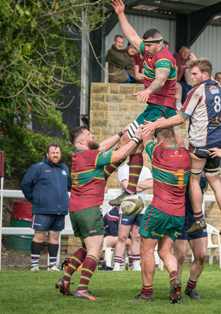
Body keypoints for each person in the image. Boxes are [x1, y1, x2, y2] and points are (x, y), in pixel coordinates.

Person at [143, 58, 221, 236]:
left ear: (204, 74)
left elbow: (181, 118)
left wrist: (156, 125)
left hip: (200, 142)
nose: (191, 77)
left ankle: (199, 219)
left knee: (194, 180)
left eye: (194, 74)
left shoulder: (196, 91)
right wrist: (198, 61)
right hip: (215, 141)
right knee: (214, 180)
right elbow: (207, 70)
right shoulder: (217, 87)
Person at [55, 125, 144, 300]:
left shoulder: (78, 155)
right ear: (82, 141)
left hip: (76, 210)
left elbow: (102, 147)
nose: (93, 135)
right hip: (88, 209)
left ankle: (65, 280)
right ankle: (82, 289)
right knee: (96, 250)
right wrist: (135, 138)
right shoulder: (90, 156)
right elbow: (117, 155)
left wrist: (120, 134)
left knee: (85, 247)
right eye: (89, 134)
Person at [108, 0, 178, 206]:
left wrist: (148, 90)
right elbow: (131, 34)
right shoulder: (147, 49)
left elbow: (161, 78)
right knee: (135, 145)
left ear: (159, 43)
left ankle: (105, 176)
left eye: (149, 46)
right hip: (154, 107)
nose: (145, 49)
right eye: (144, 46)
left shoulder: (164, 57)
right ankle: (130, 191)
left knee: (130, 141)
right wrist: (121, 13)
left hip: (162, 108)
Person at [129, 127, 191, 303]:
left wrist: (149, 124)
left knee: (146, 249)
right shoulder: (185, 155)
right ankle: (174, 277)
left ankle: (147, 293)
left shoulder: (159, 152)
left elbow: (146, 137)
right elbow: (179, 141)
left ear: (161, 142)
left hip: (159, 210)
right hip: (178, 213)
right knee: (165, 250)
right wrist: (169, 122)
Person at [21, 142, 70, 271]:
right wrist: (34, 199)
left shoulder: (65, 169)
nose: (55, 155)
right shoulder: (38, 167)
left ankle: (52, 265)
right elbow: (25, 184)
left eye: (57, 152)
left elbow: (67, 186)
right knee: (40, 236)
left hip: (60, 210)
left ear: (60, 154)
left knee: (55, 236)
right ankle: (34, 265)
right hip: (42, 209)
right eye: (53, 153)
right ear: (47, 154)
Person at [172, 175, 211, 301]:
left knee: (201, 255)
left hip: (197, 219)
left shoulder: (204, 170)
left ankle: (191, 288)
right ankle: (175, 291)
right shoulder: (182, 166)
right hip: (179, 218)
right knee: (180, 255)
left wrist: (215, 174)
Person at [113, 162, 153, 271]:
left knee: (137, 236)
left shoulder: (145, 169)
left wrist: (133, 184)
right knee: (122, 236)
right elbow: (127, 187)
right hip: (126, 207)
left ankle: (136, 265)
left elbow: (150, 185)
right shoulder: (123, 169)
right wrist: (141, 185)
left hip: (140, 208)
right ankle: (117, 264)